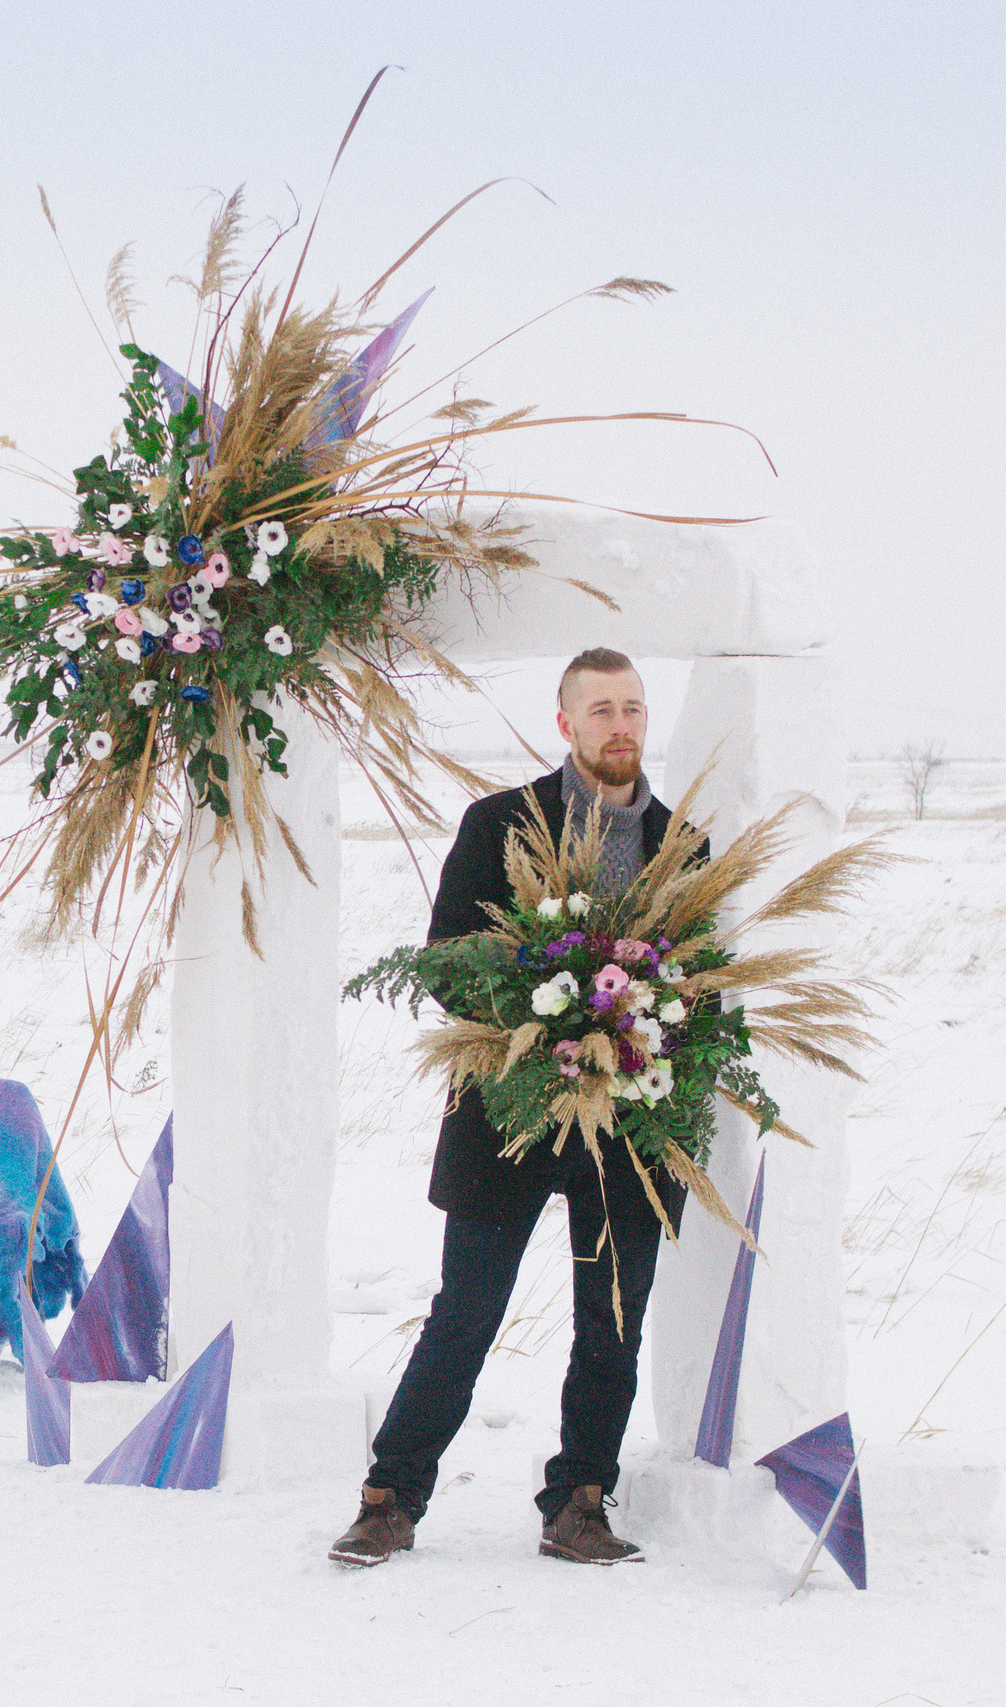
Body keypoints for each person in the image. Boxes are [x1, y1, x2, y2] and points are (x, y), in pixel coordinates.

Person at [329, 646, 691, 1568]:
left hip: (633, 1125)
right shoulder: (498, 822)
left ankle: (580, 1500)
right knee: (467, 1312)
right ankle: (389, 1496)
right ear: (564, 723)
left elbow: (709, 983)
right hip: (510, 1113)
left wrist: (645, 1034)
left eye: (635, 709)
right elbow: (449, 959)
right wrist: (554, 1024)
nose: (622, 725)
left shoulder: (682, 842)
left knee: (612, 1321)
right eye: (602, 708)